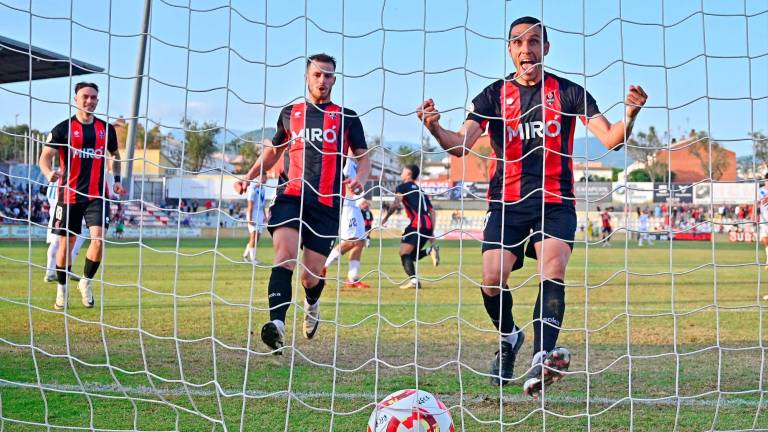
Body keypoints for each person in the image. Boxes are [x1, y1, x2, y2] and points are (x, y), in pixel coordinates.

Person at [416, 16, 647, 397]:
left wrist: (632, 114)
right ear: (510, 50)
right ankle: (510, 336)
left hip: (555, 202)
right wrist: (433, 127)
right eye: (519, 43)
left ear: (546, 48)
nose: (527, 49)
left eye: (535, 42)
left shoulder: (569, 92)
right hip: (506, 203)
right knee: (492, 278)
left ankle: (542, 357)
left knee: (552, 270)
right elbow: (459, 145)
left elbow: (609, 139)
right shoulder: (492, 96)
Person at [234, 53, 370, 353]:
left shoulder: (347, 117)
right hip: (290, 196)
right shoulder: (290, 113)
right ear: (307, 77)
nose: (323, 80)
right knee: (284, 256)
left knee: (310, 276)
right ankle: (277, 325)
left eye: (329, 75)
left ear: (335, 79)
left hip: (326, 204)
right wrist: (250, 175)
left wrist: (360, 177)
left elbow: (363, 157)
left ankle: (312, 303)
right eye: (317, 74)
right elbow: (273, 151)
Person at [38, 81, 124, 310]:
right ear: (75, 99)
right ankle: (62, 290)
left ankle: (85, 282)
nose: (90, 100)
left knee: (98, 240)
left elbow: (115, 155)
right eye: (85, 96)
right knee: (66, 244)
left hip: (98, 195)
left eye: (94, 97)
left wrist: (117, 181)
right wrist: (48, 173)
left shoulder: (107, 129)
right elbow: (44, 158)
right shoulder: (62, 128)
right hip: (69, 196)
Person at [380, 165, 440, 290]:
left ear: (408, 173)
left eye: (402, 171)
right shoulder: (421, 191)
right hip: (426, 225)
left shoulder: (402, 187)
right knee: (411, 256)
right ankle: (429, 251)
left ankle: (414, 282)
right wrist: (431, 232)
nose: (401, 173)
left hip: (416, 224)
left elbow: (396, 203)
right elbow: (432, 212)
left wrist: (385, 218)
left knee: (404, 253)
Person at [324, 159, 370, 289]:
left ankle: (352, 278)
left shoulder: (357, 162)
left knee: (360, 242)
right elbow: (345, 182)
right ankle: (322, 267)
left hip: (354, 207)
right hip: (348, 205)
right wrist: (359, 199)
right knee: (352, 241)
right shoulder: (348, 161)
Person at [43, 180, 85, 283]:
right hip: (63, 206)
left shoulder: (57, 175)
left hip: (58, 207)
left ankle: (53, 271)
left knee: (60, 241)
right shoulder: (64, 175)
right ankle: (54, 271)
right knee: (68, 240)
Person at [243, 178, 267, 264]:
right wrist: (250, 218)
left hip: (260, 214)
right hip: (253, 214)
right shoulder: (252, 189)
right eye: (264, 177)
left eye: (266, 177)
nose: (265, 179)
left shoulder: (263, 189)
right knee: (253, 236)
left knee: (257, 238)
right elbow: (250, 205)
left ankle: (245, 255)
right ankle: (253, 259)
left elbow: (263, 203)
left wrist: (265, 215)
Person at [758, 173, 768, 269]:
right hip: (763, 220)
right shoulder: (760, 191)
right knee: (765, 240)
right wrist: (753, 216)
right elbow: (755, 203)